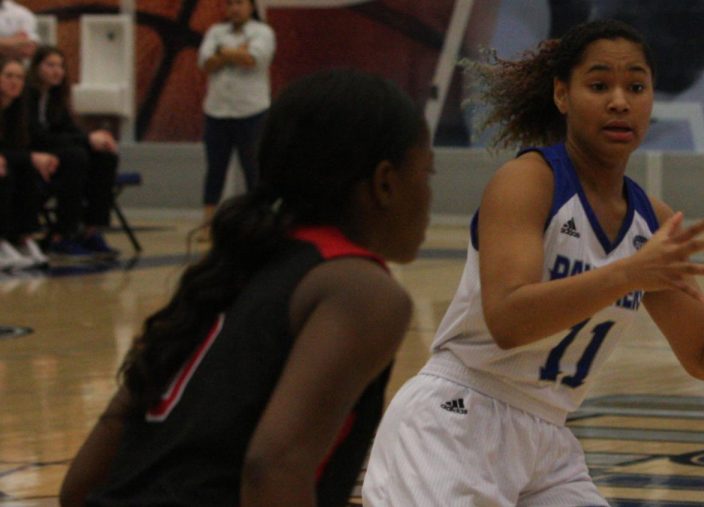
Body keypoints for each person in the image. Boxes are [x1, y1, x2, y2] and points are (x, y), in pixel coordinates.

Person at [363, 19, 704, 506]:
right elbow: (509, 320)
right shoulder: (529, 181)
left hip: (548, 440)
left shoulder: (652, 222)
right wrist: (628, 273)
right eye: (599, 85)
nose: (620, 101)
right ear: (562, 95)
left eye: (636, 86)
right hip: (456, 419)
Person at [58, 68, 434, 507]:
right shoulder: (362, 290)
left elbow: (78, 486)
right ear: (385, 182)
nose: (427, 193)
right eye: (426, 173)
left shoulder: (231, 266)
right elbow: (272, 467)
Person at [26, 45, 120, 259]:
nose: (57, 71)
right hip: (33, 150)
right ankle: (62, 233)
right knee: (75, 156)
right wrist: (87, 140)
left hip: (56, 150)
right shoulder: (27, 94)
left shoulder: (56, 96)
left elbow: (70, 128)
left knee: (105, 155)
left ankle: (90, 229)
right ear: (36, 67)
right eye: (50, 65)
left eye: (60, 66)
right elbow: (35, 135)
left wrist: (96, 138)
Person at [196, 0, 275, 238]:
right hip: (217, 111)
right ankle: (208, 223)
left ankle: (260, 221)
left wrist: (223, 52)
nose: (234, 9)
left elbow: (253, 60)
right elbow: (206, 63)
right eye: (230, 4)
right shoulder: (215, 32)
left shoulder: (263, 32)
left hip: (251, 111)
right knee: (215, 169)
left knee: (254, 169)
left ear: (251, 7)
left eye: (239, 3)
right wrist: (236, 51)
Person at [0, 56, 52, 270]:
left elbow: (16, 149)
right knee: (6, 173)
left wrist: (34, 159)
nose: (14, 82)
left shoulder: (17, 111)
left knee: (27, 170)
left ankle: (22, 237)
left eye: (19, 77)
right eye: (8, 76)